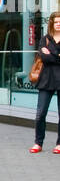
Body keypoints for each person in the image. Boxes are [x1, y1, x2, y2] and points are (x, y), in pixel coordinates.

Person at [29, 10, 60, 153]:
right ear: (52, 24)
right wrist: (57, 55)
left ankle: (59, 144)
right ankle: (38, 143)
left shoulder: (46, 43)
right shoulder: (44, 39)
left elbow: (49, 57)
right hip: (46, 80)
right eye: (56, 22)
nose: (58, 24)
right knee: (40, 113)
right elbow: (44, 58)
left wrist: (50, 54)